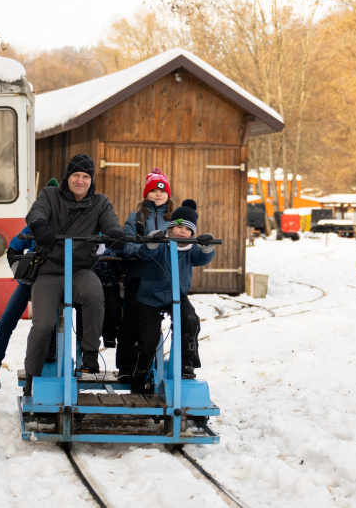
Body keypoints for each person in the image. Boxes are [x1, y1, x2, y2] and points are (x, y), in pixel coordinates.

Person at [23, 154, 125, 396]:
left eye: (86, 176)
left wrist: (114, 232)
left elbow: (110, 222)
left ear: (91, 180)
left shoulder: (100, 202)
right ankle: (32, 375)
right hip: (48, 270)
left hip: (79, 270)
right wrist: (40, 226)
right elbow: (37, 212)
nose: (80, 181)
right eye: (76, 175)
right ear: (68, 177)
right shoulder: (50, 195)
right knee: (43, 325)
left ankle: (89, 354)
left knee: (94, 292)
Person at [0, 179, 60, 391]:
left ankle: (39, 372)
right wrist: (21, 274)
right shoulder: (34, 225)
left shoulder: (68, 224)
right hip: (31, 282)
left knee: (46, 325)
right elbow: (13, 248)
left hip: (55, 283)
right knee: (6, 322)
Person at [131, 199, 215, 393]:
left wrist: (207, 247)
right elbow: (145, 254)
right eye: (179, 227)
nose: (183, 231)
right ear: (170, 227)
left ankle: (186, 363)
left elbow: (202, 258)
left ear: (193, 233)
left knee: (190, 320)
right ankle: (139, 373)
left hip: (178, 295)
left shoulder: (191, 248)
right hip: (151, 296)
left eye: (188, 229)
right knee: (148, 338)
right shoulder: (163, 244)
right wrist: (152, 242)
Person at [115, 167, 176, 383]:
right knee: (132, 314)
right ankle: (125, 366)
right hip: (139, 276)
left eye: (162, 191)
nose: (158, 194)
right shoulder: (137, 218)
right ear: (146, 194)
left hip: (165, 278)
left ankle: (173, 364)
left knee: (181, 315)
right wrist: (148, 248)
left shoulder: (175, 219)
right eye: (154, 190)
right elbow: (127, 247)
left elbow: (183, 243)